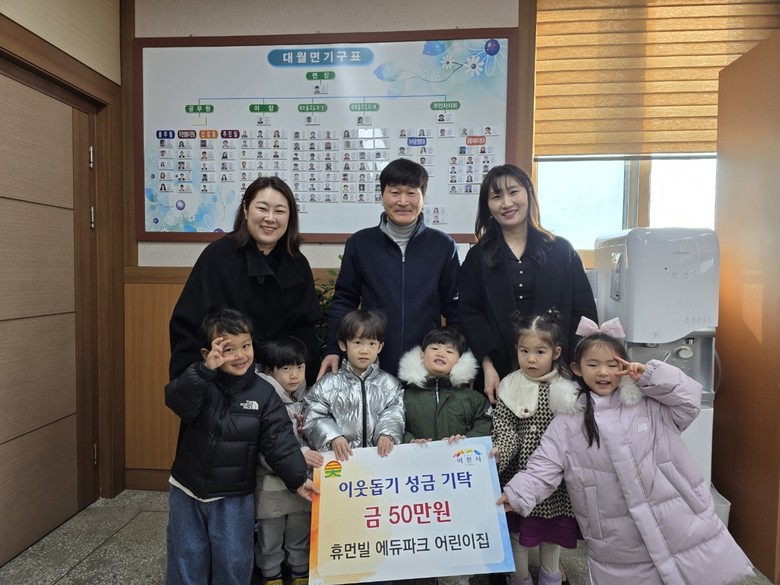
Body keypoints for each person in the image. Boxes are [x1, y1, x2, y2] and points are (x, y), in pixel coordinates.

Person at [496, 317, 755, 585]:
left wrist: (652, 376)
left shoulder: (650, 403)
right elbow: (544, 465)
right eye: (592, 365)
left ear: (625, 366)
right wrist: (516, 494)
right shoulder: (568, 420)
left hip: (676, 518)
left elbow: (689, 401)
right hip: (615, 535)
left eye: (612, 365)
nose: (603, 372)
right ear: (577, 369)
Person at [165, 309, 317, 585]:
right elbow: (177, 401)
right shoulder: (201, 380)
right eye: (228, 349)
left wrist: (297, 479)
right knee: (187, 556)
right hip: (186, 488)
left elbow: (279, 440)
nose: (240, 355)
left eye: (245, 346)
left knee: (233, 560)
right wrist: (203, 372)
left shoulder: (264, 393)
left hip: (233, 495)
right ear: (208, 353)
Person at [459, 164, 597, 404]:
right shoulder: (478, 256)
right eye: (496, 196)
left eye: (513, 192)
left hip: (558, 371)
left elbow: (583, 313)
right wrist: (487, 365)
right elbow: (470, 314)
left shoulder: (561, 250)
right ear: (487, 206)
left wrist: (575, 367)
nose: (506, 203)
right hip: (499, 370)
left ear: (529, 195)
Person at [168, 176, 322, 384]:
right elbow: (188, 326)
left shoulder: (297, 263)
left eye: (279, 211)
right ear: (246, 210)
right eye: (262, 208)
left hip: (281, 378)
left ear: (290, 217)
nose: (270, 218)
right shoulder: (217, 257)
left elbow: (305, 331)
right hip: (224, 378)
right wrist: (196, 379)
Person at [317, 158, 460, 379]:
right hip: (372, 361)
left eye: (411, 193)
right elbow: (345, 300)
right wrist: (333, 349)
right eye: (394, 192)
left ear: (423, 197)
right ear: (382, 196)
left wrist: (460, 357)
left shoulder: (443, 246)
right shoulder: (360, 243)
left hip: (426, 364)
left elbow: (455, 307)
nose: (403, 201)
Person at [490, 309, 578, 585]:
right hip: (518, 473)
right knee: (517, 534)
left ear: (555, 352)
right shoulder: (509, 385)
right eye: (524, 351)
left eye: (540, 352)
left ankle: (551, 576)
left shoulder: (568, 387)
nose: (530, 359)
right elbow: (504, 428)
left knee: (552, 534)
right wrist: (500, 452)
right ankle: (519, 577)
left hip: (555, 479)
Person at [254, 337, 325, 585]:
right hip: (271, 485)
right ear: (269, 371)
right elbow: (264, 448)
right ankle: (271, 575)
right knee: (270, 537)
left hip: (303, 485)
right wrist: (299, 453)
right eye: (285, 368)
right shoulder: (263, 401)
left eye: (299, 367)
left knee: (300, 533)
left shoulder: (310, 400)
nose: (294, 375)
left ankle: (300, 573)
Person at [303, 309, 404, 461]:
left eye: (372, 343)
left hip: (380, 459)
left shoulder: (390, 384)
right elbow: (313, 416)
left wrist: (387, 433)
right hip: (341, 461)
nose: (365, 350)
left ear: (380, 347)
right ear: (343, 345)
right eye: (357, 343)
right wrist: (333, 436)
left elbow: (395, 412)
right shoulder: (327, 384)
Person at [398, 326, 490, 444]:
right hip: (417, 454)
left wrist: (466, 440)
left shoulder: (473, 398)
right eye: (435, 348)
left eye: (449, 351)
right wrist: (410, 440)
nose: (441, 354)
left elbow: (486, 422)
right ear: (422, 355)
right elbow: (396, 424)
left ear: (459, 360)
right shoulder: (404, 396)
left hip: (460, 454)